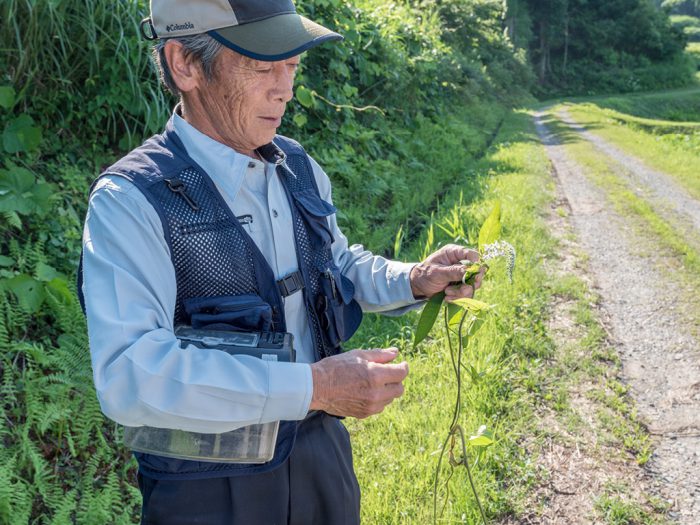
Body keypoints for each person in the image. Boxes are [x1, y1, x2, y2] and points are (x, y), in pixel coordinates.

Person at [80, 1, 485, 523]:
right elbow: (129, 374)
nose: (285, 89)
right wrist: (315, 387)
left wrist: (413, 279)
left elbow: (336, 265)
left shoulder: (297, 166)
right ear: (184, 64)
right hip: (205, 489)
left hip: (322, 456)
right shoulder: (132, 200)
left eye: (291, 64)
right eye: (262, 65)